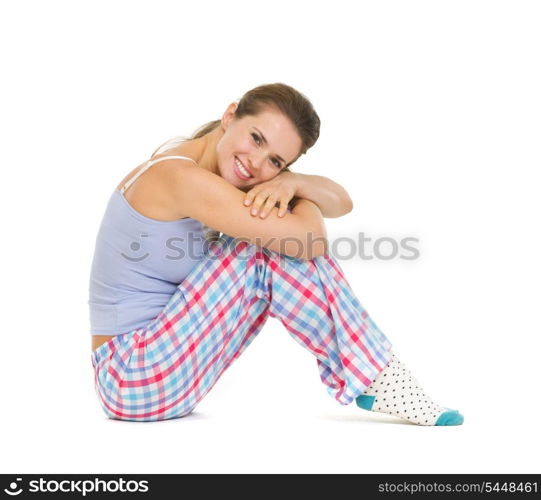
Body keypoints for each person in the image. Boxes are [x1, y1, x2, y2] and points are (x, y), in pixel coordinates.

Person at [88, 82, 464, 425]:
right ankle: (375, 376)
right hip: (129, 375)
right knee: (264, 247)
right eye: (255, 138)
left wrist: (293, 184)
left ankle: (371, 374)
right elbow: (309, 241)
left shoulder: (208, 173)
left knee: (273, 236)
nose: (256, 162)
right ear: (230, 114)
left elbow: (342, 203)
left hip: (161, 374)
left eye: (275, 161)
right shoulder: (178, 177)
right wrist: (292, 193)